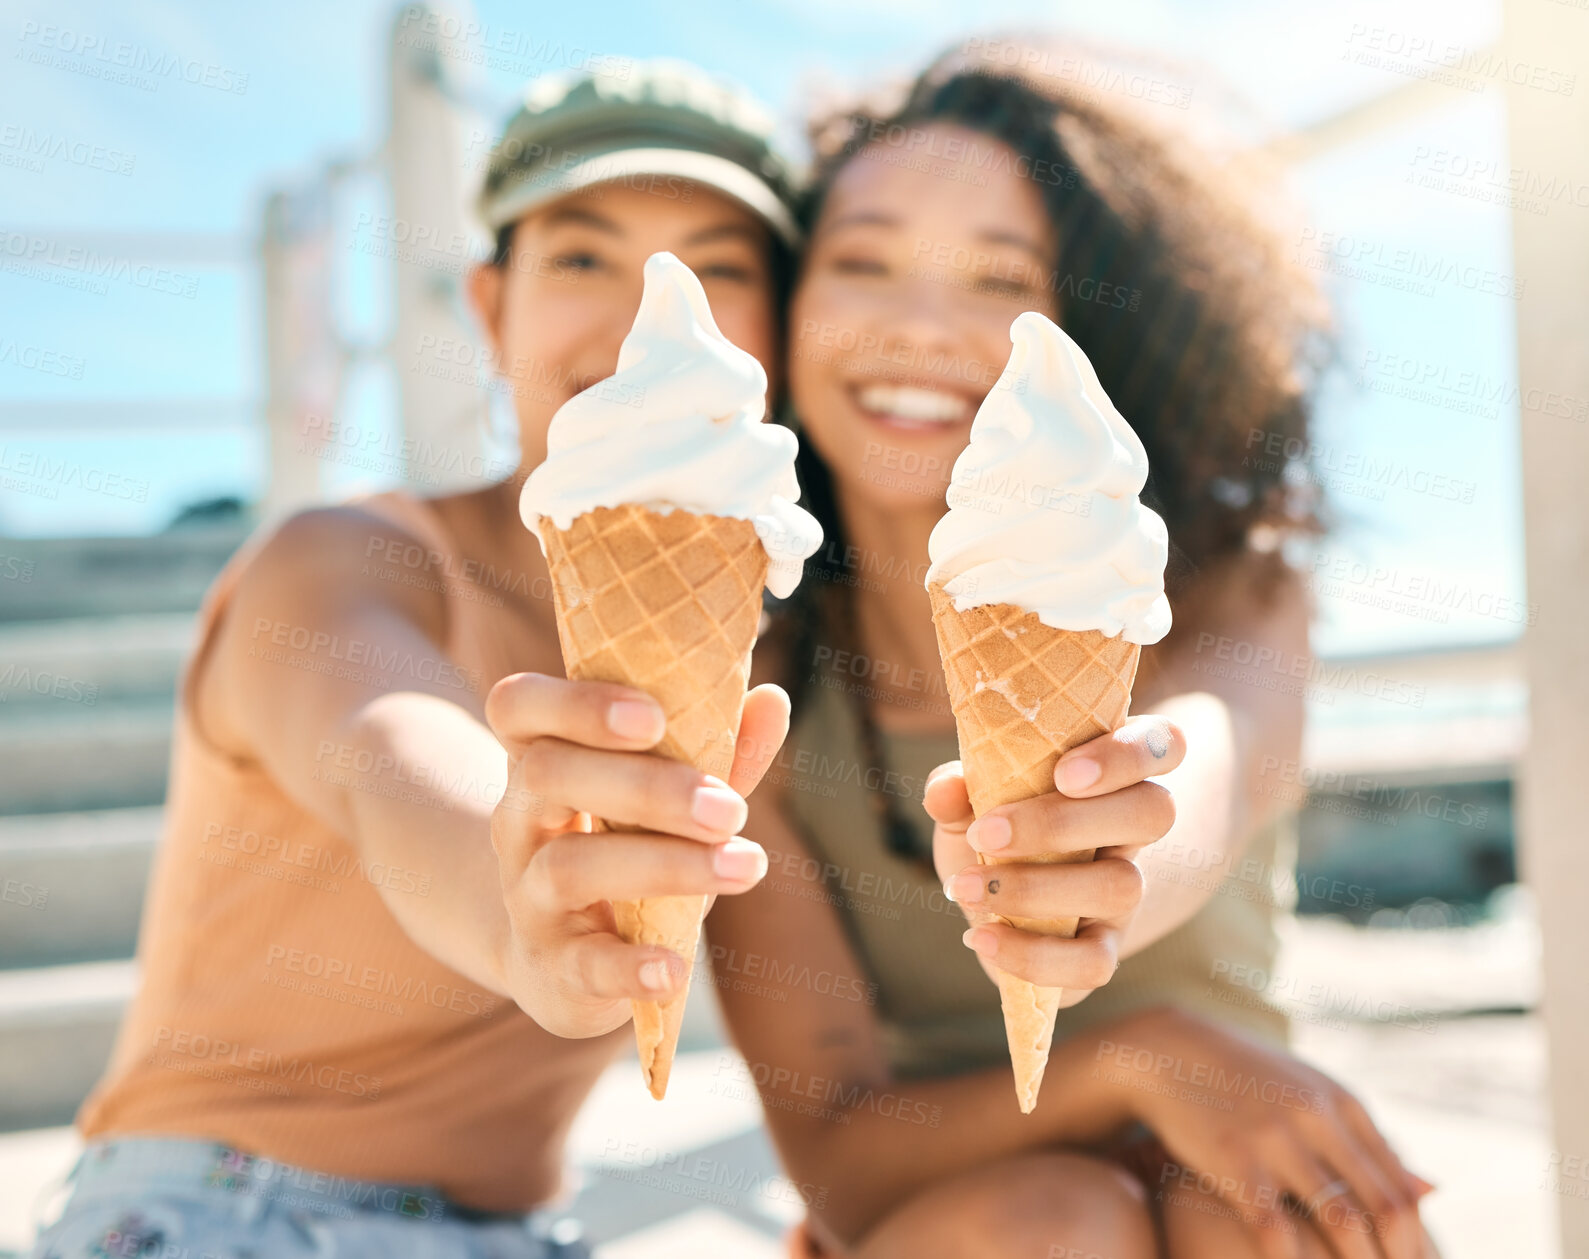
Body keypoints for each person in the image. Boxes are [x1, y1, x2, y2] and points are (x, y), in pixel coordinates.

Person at [27, 62, 805, 1259]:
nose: (650, 312)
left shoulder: (763, 643)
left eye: (721, 265)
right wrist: (519, 901)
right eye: (584, 257)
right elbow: (385, 753)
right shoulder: (341, 560)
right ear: (490, 312)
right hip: (224, 1209)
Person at [697, 45, 1438, 1258]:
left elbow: (1207, 760)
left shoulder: (1228, 585)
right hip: (949, 1205)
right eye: (861, 261)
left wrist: (1109, 846)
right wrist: (1141, 1059)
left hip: (1228, 1175)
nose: (918, 327)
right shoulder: (759, 693)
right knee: (1051, 1219)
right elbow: (834, 1152)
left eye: (1000, 278)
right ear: (787, 309)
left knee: (1257, 1221)